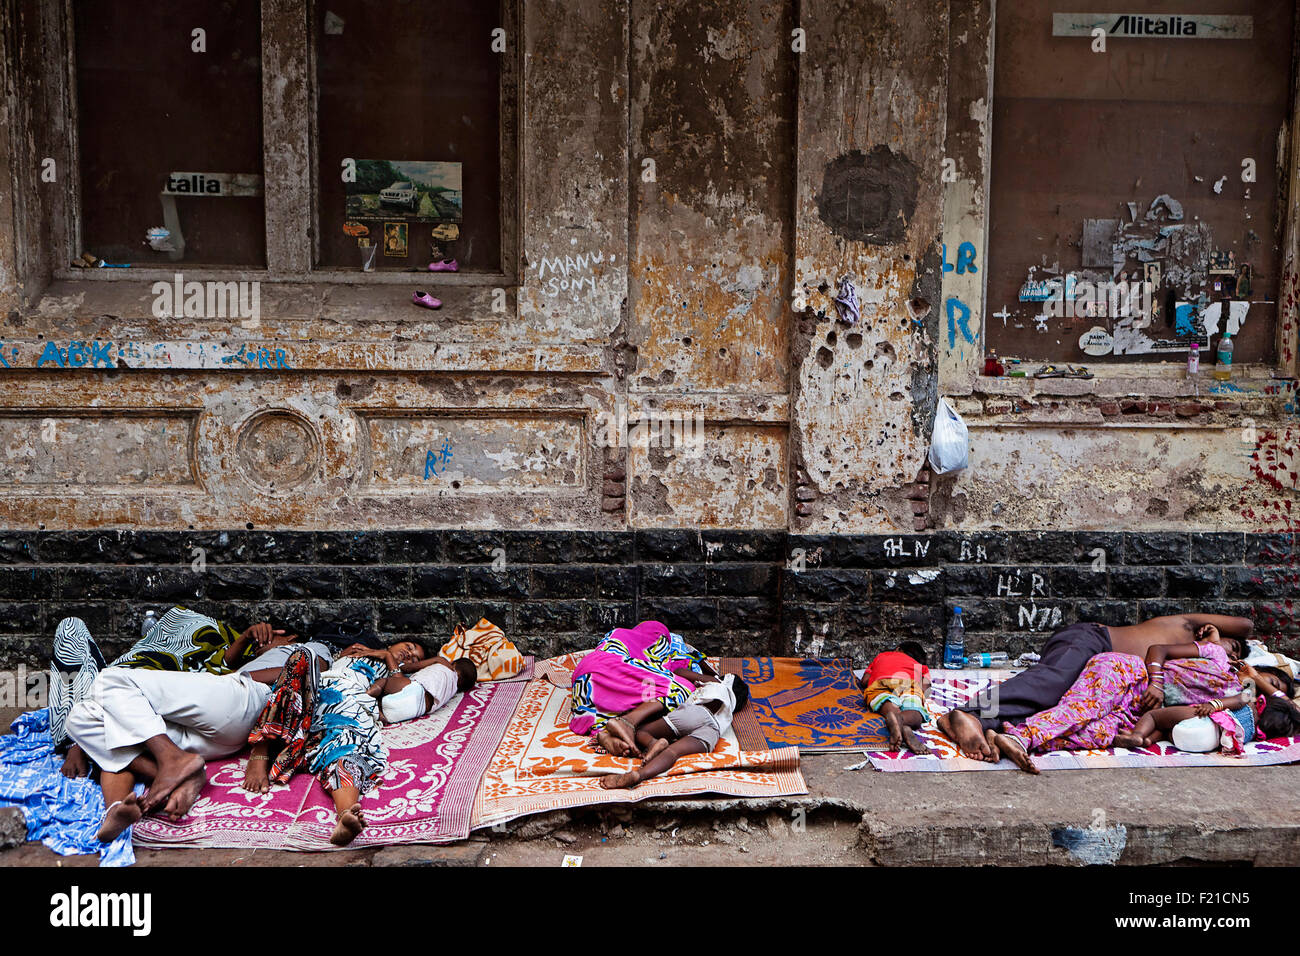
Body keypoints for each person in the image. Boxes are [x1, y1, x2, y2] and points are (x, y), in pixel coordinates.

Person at [937, 613, 1254, 761]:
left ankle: (984, 725)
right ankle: (971, 712)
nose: (1230, 651)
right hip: (1092, 642)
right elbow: (1246, 626)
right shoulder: (1187, 626)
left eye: (1237, 653)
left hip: (1110, 683)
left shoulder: (1209, 668)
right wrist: (1215, 638)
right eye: (1231, 645)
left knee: (1062, 709)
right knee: (1049, 685)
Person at [64, 650, 299, 842]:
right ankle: (161, 786)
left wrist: (237, 673)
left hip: (242, 700)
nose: (261, 642)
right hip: (205, 739)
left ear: (287, 637)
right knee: (78, 718)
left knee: (109, 678)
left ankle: (171, 761)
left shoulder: (298, 649)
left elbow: (300, 671)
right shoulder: (224, 652)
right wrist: (78, 746)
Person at [240, 640, 426, 846]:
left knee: (347, 745)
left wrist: (387, 657)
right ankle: (260, 751)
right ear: (394, 642)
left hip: (348, 703)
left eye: (416, 657)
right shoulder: (354, 651)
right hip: (314, 694)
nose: (409, 654)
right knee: (303, 654)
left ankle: (346, 816)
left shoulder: (386, 671)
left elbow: (401, 687)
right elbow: (325, 665)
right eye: (409, 647)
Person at [569, 621, 718, 756]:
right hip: (611, 665)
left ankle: (605, 735)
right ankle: (627, 721)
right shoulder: (658, 639)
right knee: (683, 688)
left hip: (583, 682)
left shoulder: (615, 635)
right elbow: (677, 670)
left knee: (640, 694)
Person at [600, 674, 750, 790]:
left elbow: (680, 672)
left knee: (639, 730)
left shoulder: (717, 683)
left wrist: (704, 677)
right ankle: (639, 775)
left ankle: (653, 742)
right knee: (673, 753)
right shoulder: (730, 708)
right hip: (713, 731)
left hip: (696, 713)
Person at [859, 640, 932, 754]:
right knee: (915, 712)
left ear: (898, 649)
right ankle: (903, 721)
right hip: (908, 683)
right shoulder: (919, 666)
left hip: (882, 681)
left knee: (885, 701)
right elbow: (925, 686)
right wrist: (919, 695)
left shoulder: (882, 656)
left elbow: (865, 680)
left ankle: (893, 716)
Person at [377, 654, 477, 724]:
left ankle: (367, 695)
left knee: (383, 683)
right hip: (418, 710)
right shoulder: (451, 692)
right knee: (385, 706)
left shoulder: (443, 662)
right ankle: (380, 715)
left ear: (453, 664)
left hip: (415, 689)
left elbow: (410, 668)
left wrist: (400, 665)